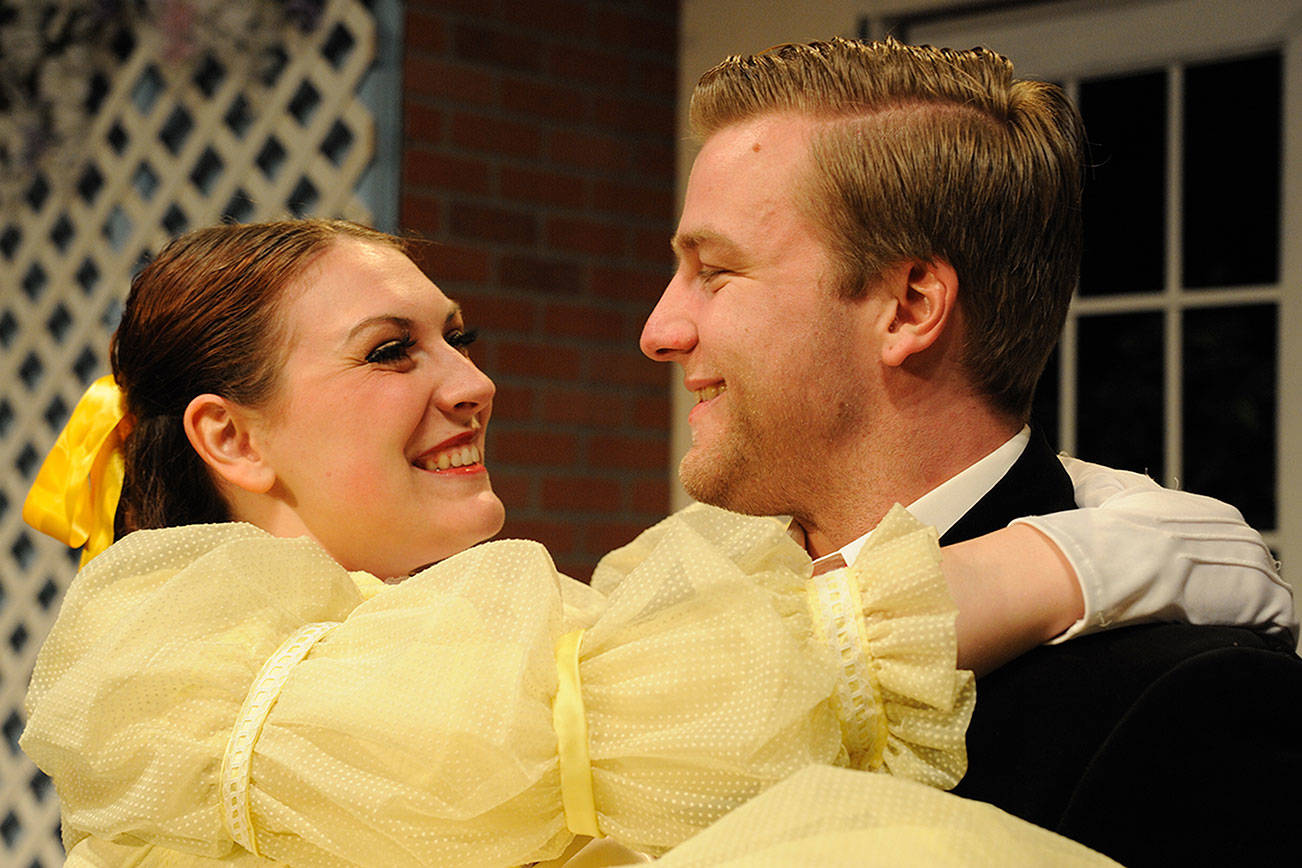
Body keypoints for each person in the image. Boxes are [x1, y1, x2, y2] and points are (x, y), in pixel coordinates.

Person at [22, 218, 1125, 867]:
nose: (472, 383)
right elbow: (645, 713)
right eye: (390, 352)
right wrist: (1048, 565)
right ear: (232, 435)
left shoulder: (439, 651)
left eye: (458, 338)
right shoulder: (218, 705)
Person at [639, 37, 1302, 867]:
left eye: (716, 271)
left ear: (910, 306)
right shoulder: (672, 606)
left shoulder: (1184, 702)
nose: (658, 331)